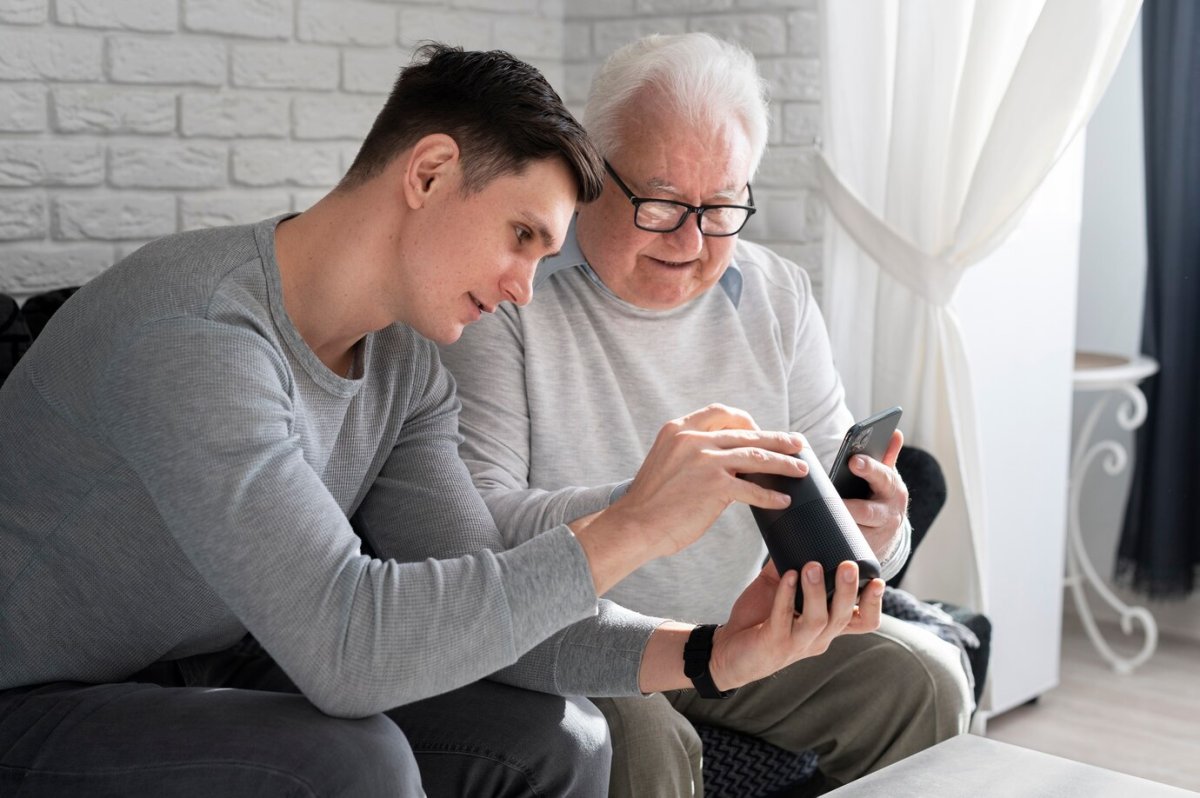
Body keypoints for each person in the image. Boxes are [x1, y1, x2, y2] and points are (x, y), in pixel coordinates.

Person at [0, 44, 887, 797]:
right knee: (356, 762)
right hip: (37, 698)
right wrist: (634, 525)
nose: (525, 289)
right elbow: (348, 648)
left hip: (220, 660)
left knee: (563, 736)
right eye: (522, 236)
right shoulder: (199, 337)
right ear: (428, 174)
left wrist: (712, 654)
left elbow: (489, 603)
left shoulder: (403, 364)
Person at [440, 33, 974, 795]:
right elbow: (475, 525)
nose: (691, 240)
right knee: (640, 745)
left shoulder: (778, 292)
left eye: (722, 207)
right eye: (660, 203)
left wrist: (879, 536)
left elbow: (834, 491)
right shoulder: (508, 292)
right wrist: (648, 502)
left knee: (924, 681)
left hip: (747, 622)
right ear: (592, 168)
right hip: (574, 631)